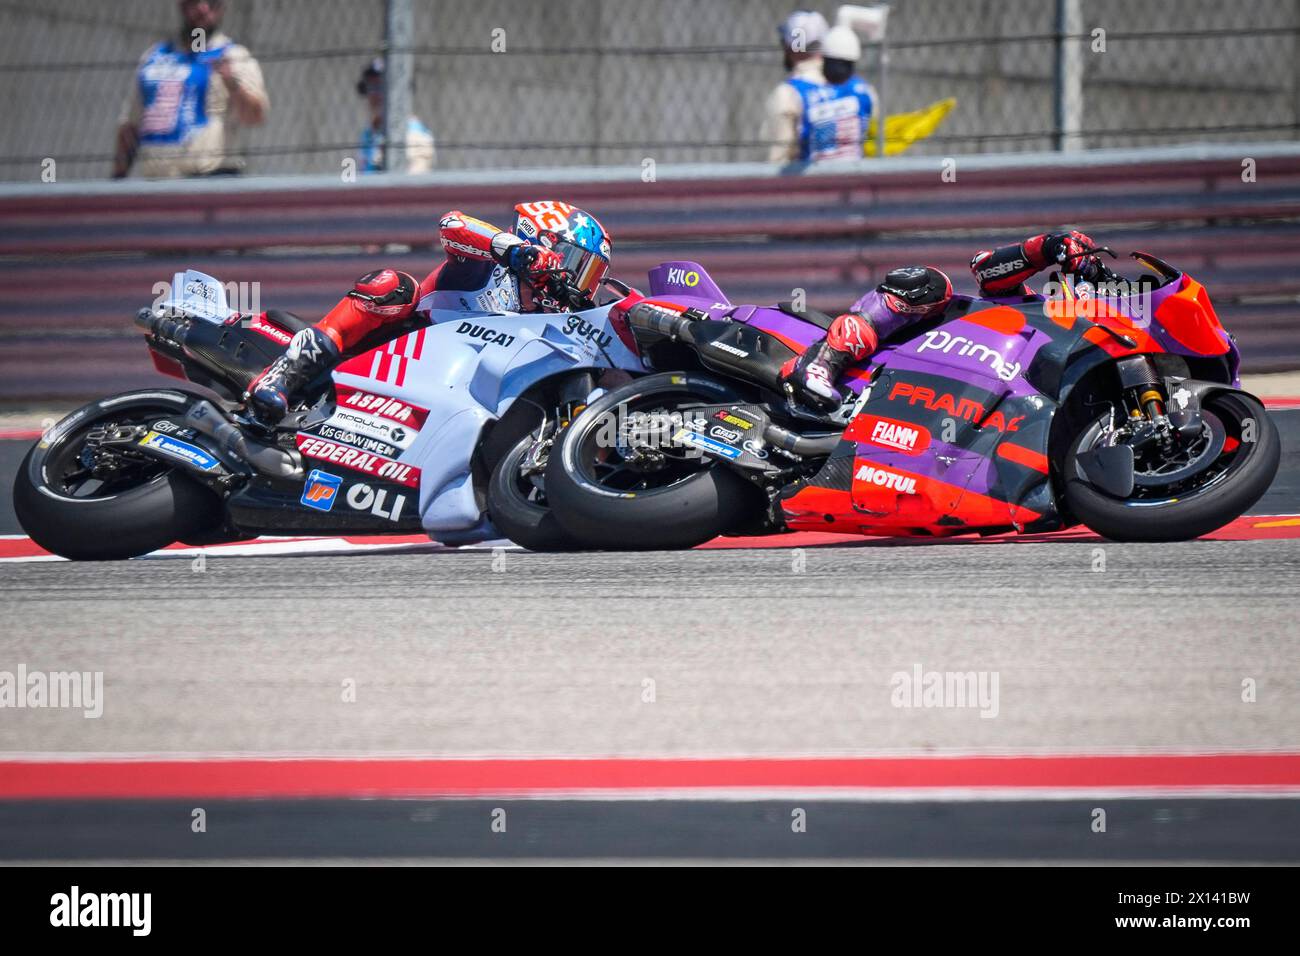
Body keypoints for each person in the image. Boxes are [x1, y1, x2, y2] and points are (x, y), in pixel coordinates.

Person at [245, 201, 613, 423]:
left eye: (589, 274)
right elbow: (451, 223)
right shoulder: (488, 264)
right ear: (543, 243)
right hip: (398, 352)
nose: (578, 283)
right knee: (395, 286)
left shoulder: (548, 322)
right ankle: (283, 376)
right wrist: (515, 251)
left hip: (448, 401)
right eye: (575, 265)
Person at [782, 231, 1106, 409]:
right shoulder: (1038, 308)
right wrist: (1047, 248)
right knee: (928, 284)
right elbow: (985, 268)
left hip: (980, 407)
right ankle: (821, 363)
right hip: (934, 342)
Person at [112, 0, 269, 179]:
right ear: (182, 5)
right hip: (157, 181)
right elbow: (131, 124)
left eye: (212, 2)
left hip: (210, 180)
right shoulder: (155, 57)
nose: (202, 8)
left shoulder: (233, 56)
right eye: (195, 1)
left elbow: (255, 116)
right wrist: (118, 177)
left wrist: (231, 82)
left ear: (222, 8)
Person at [764, 13, 874, 164]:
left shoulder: (787, 93)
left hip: (809, 179)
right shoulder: (861, 88)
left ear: (792, 47)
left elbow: (777, 159)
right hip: (856, 176)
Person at [355, 58, 437, 174]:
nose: (376, 95)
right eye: (372, 87)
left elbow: (413, 182)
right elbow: (356, 176)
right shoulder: (369, 133)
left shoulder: (416, 136)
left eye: (383, 87)